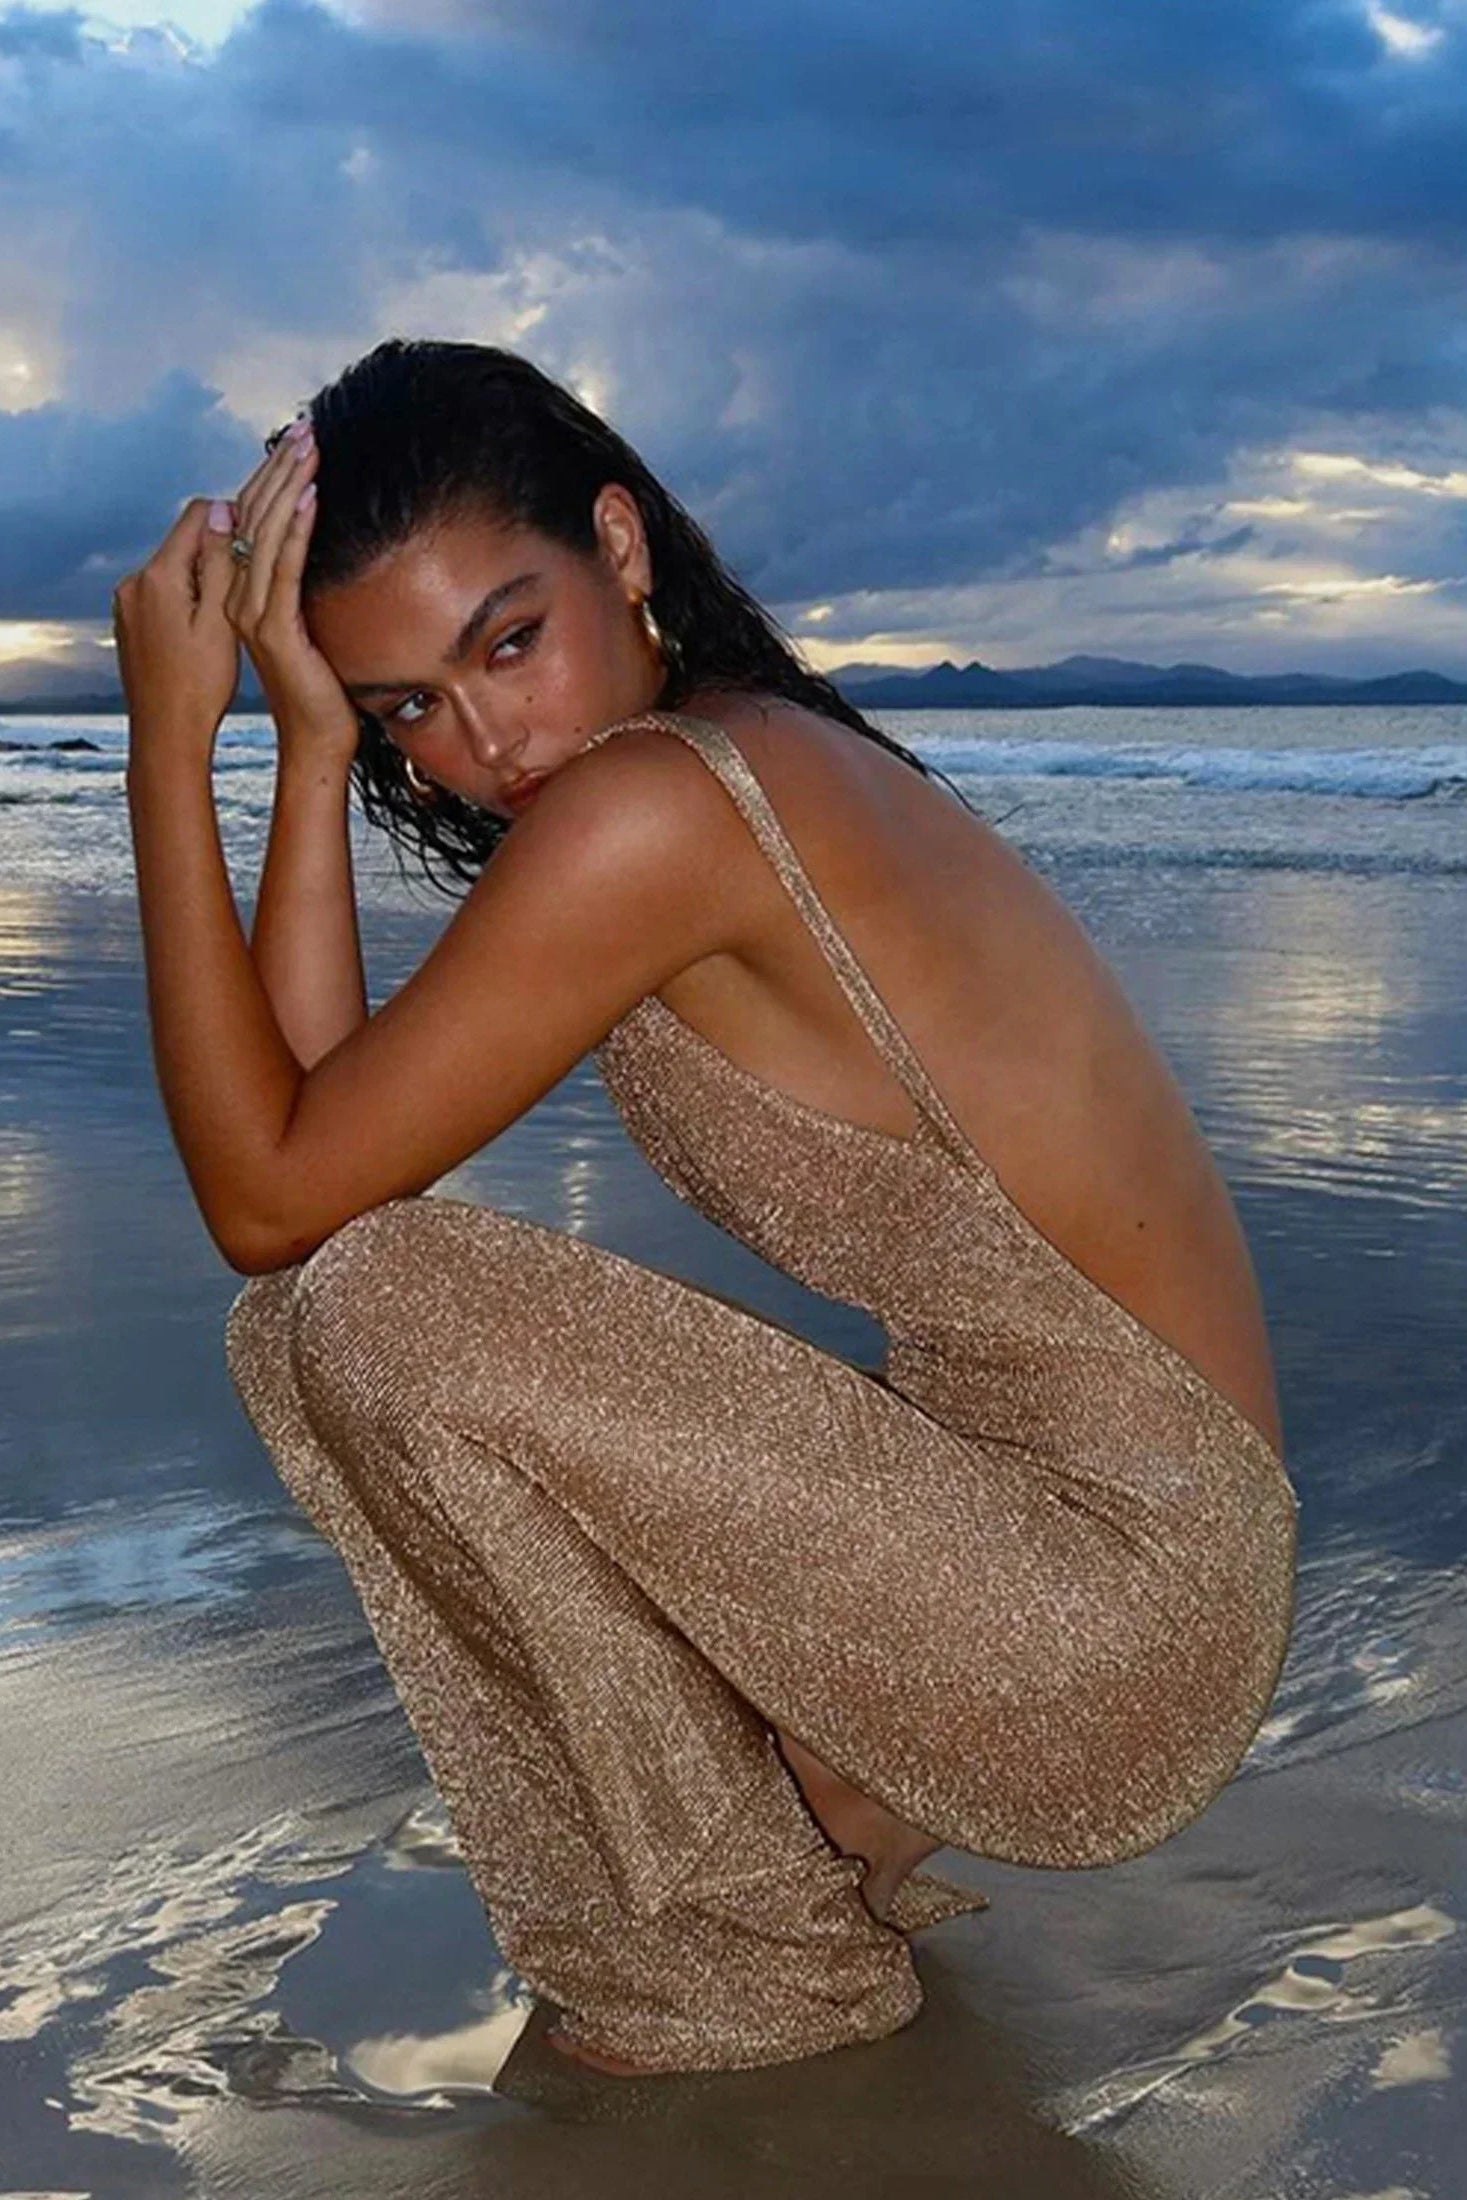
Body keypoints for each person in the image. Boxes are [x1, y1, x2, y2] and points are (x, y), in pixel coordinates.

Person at [117, 337, 1298, 2081]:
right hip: (1085, 1557)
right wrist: (302, 750)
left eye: (506, 640)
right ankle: (796, 1839)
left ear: (622, 543)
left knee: (369, 1306)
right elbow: (319, 1153)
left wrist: (163, 740)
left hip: (1110, 1613)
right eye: (407, 710)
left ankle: (742, 1955)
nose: (484, 740)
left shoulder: (663, 805)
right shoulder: (717, 759)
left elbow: (270, 1195)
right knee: (326, 1311)